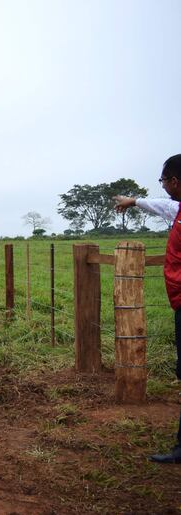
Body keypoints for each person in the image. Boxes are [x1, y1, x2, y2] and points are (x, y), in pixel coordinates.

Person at [114, 153, 181, 464]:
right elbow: (163, 206)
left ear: (175, 181)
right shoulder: (178, 209)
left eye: (164, 181)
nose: (164, 187)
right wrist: (134, 201)